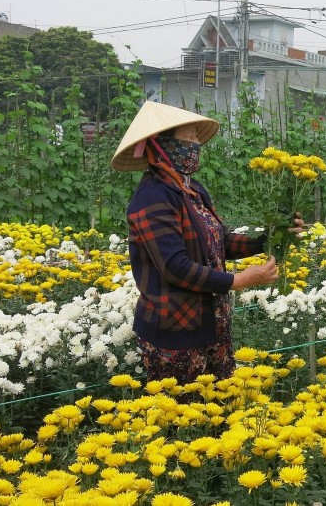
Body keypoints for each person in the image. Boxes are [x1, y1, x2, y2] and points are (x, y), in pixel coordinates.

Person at [111, 101, 304, 383]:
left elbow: (220, 243)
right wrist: (238, 281)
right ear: (159, 146)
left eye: (196, 139)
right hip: (176, 333)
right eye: (188, 138)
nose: (195, 145)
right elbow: (174, 267)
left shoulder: (193, 190)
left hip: (212, 324)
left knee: (219, 413)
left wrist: (269, 239)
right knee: (182, 416)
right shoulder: (152, 196)